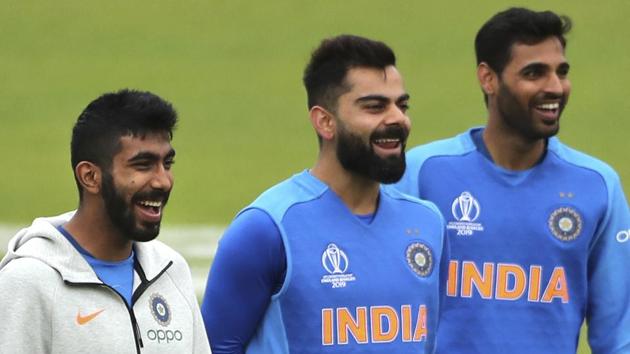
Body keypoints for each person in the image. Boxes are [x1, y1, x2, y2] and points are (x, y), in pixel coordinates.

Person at [394, 7, 630, 354]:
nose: (554, 87)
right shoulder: (421, 172)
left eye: (561, 72)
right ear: (488, 78)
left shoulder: (597, 185)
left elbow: (619, 334)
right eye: (534, 73)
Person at [201, 35, 448, 354]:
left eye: (402, 105)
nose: (397, 119)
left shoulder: (428, 223)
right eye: (375, 107)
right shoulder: (268, 228)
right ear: (325, 122)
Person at [0, 89, 211, 354]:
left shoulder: (171, 271)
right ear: (90, 176)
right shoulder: (29, 282)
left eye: (167, 164)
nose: (163, 180)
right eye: (143, 165)